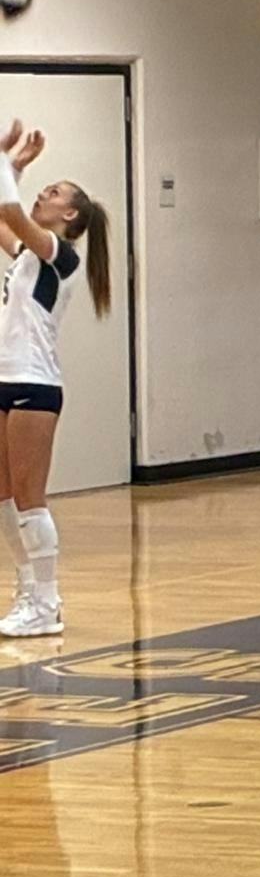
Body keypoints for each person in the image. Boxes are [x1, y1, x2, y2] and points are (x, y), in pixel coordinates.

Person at [0, 123, 111, 637]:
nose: (46, 191)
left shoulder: (60, 255)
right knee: (3, 495)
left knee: (29, 494)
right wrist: (14, 167)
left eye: (55, 191)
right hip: (4, 378)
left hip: (35, 384)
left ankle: (47, 601)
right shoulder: (28, 253)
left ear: (70, 215)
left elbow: (8, 211)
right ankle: (26, 593)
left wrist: (8, 163)